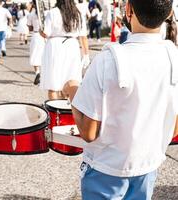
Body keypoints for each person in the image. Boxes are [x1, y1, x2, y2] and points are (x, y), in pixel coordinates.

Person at [63, 0, 178, 199]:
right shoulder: (173, 58)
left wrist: (72, 90)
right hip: (147, 167)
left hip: (105, 170)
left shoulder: (107, 60)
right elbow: (174, 127)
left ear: (128, 10)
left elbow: (88, 132)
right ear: (169, 14)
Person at [40, 0, 82, 100]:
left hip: (56, 45)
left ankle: (55, 111)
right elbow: (82, 32)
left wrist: (40, 31)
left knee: (53, 83)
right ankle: (67, 109)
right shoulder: (76, 12)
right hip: (72, 45)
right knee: (70, 79)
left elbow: (46, 33)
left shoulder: (53, 12)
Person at [27, 0, 45, 85]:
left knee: (35, 55)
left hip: (36, 35)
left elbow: (30, 28)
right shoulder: (46, 13)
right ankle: (44, 74)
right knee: (45, 55)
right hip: (46, 36)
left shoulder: (31, 14)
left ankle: (37, 72)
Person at [76, 0, 91, 70]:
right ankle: (85, 57)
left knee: (83, 39)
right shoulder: (84, 4)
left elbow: (89, 15)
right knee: (82, 39)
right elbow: (89, 15)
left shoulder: (79, 4)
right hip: (80, 23)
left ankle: (86, 57)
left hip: (80, 23)